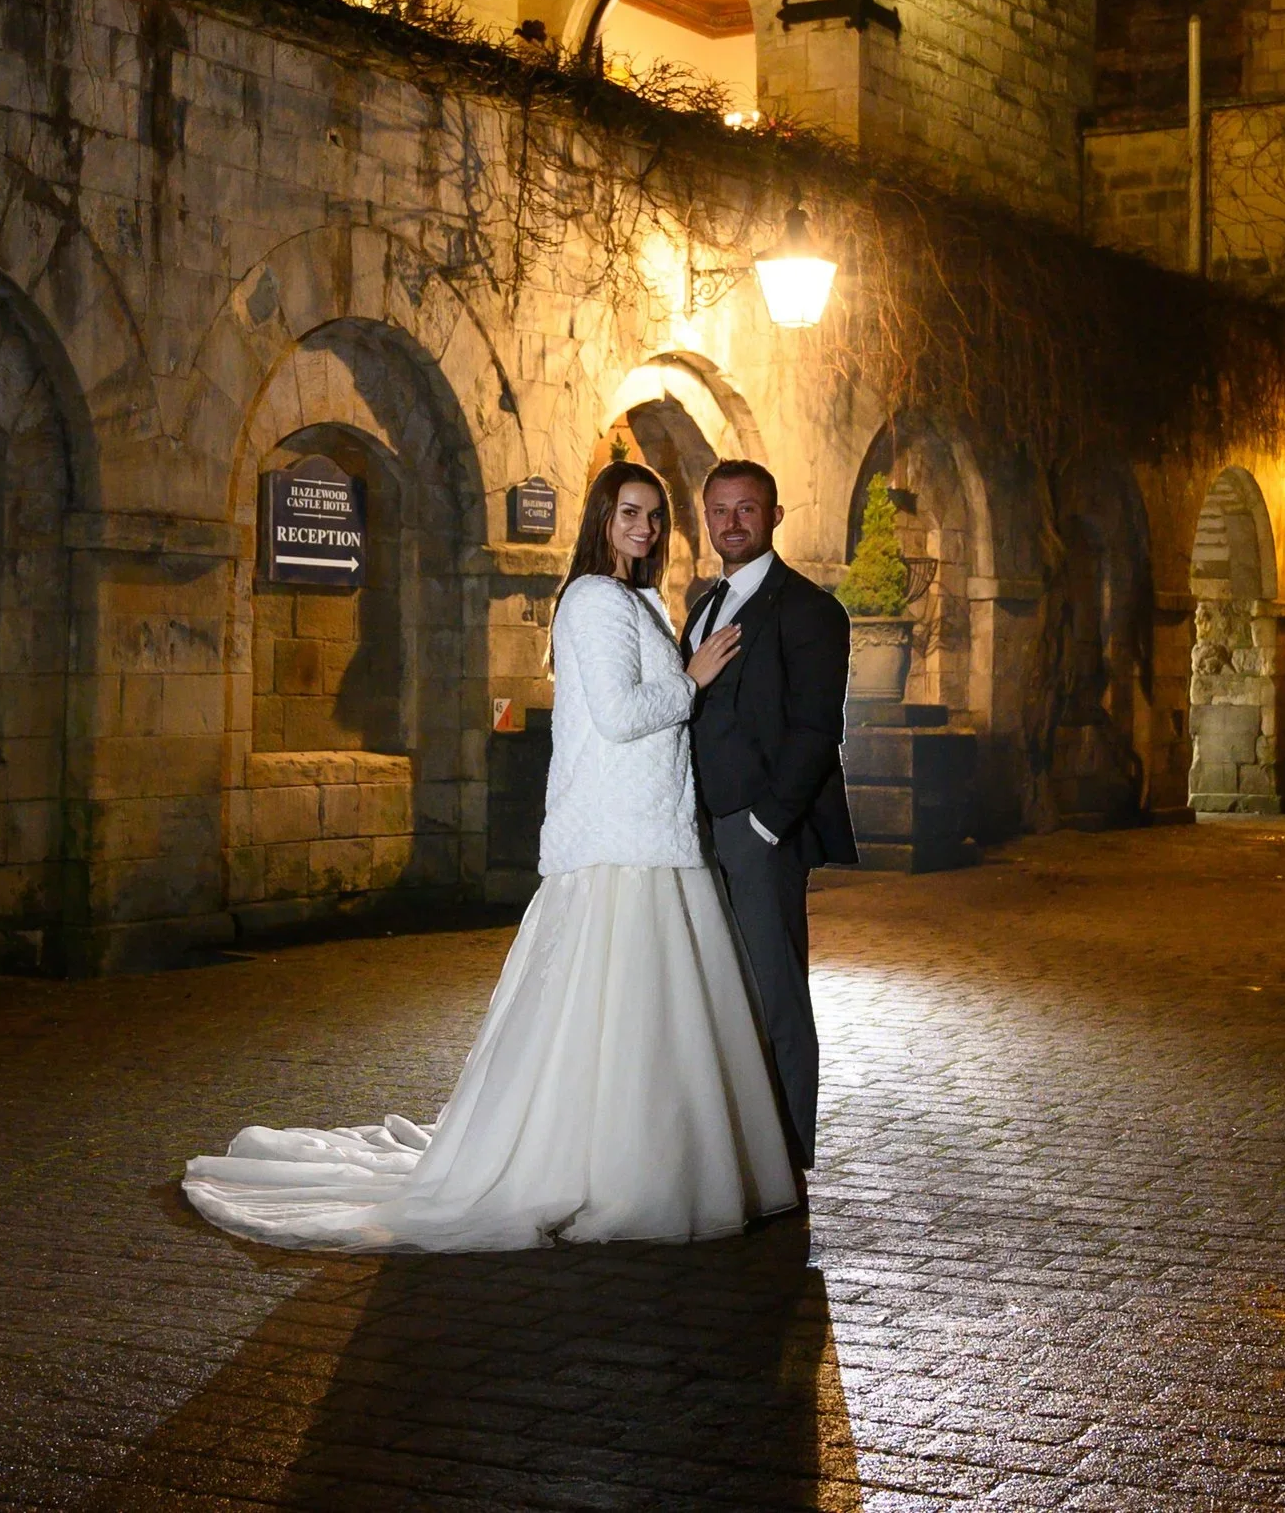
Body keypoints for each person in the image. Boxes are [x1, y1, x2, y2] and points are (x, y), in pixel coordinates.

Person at [181, 460, 798, 1251]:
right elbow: (615, 715)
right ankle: (607, 1171)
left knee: (642, 1019)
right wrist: (692, 679)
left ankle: (636, 1160)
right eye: (628, 514)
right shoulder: (593, 599)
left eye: (652, 516)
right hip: (619, 836)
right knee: (608, 1011)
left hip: (650, 828)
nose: (643, 528)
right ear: (600, 521)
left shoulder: (635, 598)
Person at [682, 459, 856, 1173]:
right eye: (720, 510)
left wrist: (763, 828)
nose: (732, 523)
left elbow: (816, 731)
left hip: (758, 835)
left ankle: (789, 1157)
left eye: (747, 509)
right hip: (697, 830)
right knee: (719, 991)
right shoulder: (703, 600)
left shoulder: (811, 611)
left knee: (777, 992)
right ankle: (738, 1149)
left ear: (775, 516)